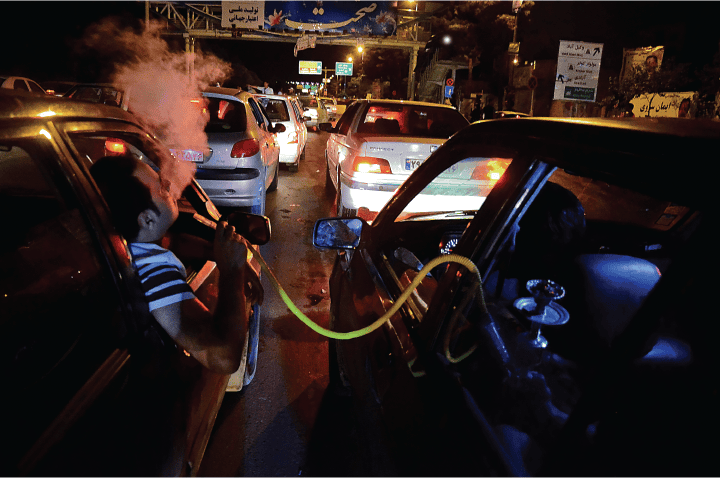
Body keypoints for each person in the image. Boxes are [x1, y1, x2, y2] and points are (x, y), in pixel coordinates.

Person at [90, 154, 253, 374]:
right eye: (161, 188)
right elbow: (223, 356)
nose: (168, 183)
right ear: (147, 219)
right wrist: (232, 272)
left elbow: (171, 242)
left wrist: (218, 253)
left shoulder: (136, 247)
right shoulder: (154, 271)